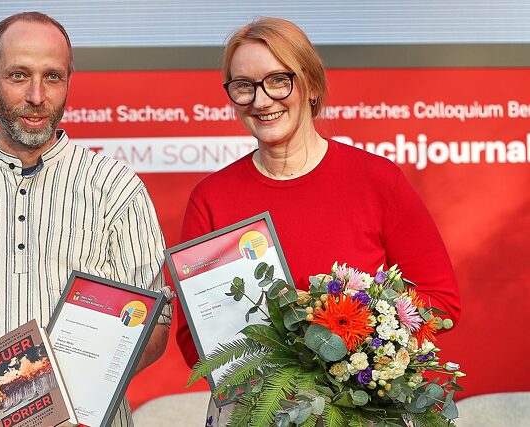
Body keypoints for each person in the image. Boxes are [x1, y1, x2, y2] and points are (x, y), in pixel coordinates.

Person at [173, 17, 462, 425]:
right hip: (254, 412)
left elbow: (439, 301)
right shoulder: (211, 198)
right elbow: (194, 337)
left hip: (362, 412)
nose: (261, 100)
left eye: (278, 80)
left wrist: (350, 342)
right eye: (244, 86)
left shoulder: (377, 181)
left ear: (310, 83)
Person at [0, 12, 172, 427]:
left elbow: (156, 323)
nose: (37, 96)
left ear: (69, 80)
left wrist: (87, 384)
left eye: (53, 77)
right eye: (19, 75)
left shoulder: (117, 188)